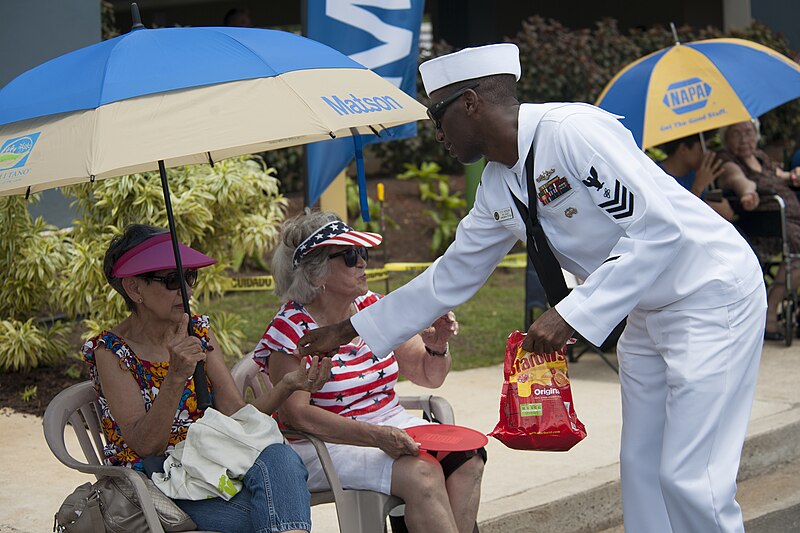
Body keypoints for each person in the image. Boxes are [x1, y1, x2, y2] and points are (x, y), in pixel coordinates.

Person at [297, 43, 767, 533]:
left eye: (439, 114)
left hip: (709, 294)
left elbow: (658, 229)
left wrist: (573, 312)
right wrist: (350, 328)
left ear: (472, 103)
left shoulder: (573, 134)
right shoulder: (499, 183)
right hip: (645, 309)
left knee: (692, 476)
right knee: (642, 468)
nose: (436, 133)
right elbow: (450, 275)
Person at [82, 224, 331, 533]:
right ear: (134, 289)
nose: (186, 290)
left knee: (280, 458)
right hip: (161, 479)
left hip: (217, 460)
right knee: (271, 514)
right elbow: (147, 446)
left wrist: (289, 384)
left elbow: (237, 416)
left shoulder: (197, 331)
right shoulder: (112, 351)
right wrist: (175, 377)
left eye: (189, 277)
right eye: (172, 280)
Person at [254, 211, 485, 533]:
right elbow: (298, 416)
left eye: (363, 254)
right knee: (423, 473)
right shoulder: (291, 330)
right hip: (325, 443)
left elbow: (427, 375)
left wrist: (438, 344)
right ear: (315, 272)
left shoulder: (371, 308)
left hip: (389, 424)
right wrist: (376, 437)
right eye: (350, 256)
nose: (363, 262)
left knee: (468, 458)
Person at [716, 119, 800, 340]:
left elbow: (778, 174)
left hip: (789, 221)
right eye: (737, 133)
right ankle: (770, 314)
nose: (745, 138)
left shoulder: (761, 157)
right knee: (798, 255)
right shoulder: (727, 160)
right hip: (766, 226)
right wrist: (747, 193)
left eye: (749, 132)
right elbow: (738, 179)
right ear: (726, 138)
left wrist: (793, 175)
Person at [657, 134, 734, 221]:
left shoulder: (695, 174)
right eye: (702, 149)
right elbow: (676, 217)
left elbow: (724, 214)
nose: (706, 154)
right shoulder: (655, 175)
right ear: (683, 149)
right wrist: (697, 188)